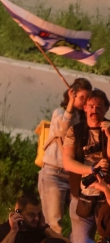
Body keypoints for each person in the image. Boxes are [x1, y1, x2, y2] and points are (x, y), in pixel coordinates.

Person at [62, 88, 110, 243]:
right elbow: (68, 162)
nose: (94, 110)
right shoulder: (76, 131)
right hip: (81, 197)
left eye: (99, 106)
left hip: (106, 200)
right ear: (85, 108)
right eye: (91, 105)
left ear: (106, 110)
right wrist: (91, 168)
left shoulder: (109, 130)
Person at [39, 78, 92, 230]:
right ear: (72, 95)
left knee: (79, 219)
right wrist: (70, 105)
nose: (84, 102)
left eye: (87, 99)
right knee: (54, 222)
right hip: (54, 172)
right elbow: (63, 130)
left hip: (73, 175)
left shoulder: (83, 120)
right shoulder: (60, 113)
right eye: (82, 98)